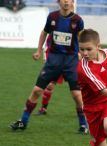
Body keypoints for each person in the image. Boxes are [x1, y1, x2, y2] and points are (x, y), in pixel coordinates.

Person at [10, 0, 88, 134]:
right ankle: (23, 121)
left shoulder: (78, 20)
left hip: (71, 62)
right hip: (53, 61)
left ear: (72, 3)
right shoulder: (52, 17)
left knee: (76, 95)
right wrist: (39, 50)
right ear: (59, 2)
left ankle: (83, 124)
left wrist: (83, 53)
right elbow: (44, 33)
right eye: (64, 0)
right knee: (36, 91)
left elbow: (82, 39)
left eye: (69, 0)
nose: (66, 2)